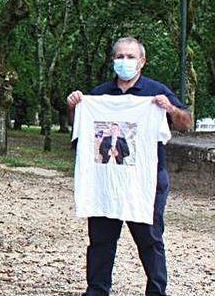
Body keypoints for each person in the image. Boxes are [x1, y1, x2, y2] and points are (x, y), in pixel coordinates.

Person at [66, 36, 192, 296]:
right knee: (100, 240)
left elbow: (185, 123)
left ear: (142, 61)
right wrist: (74, 106)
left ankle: (157, 291)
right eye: (120, 57)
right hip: (104, 181)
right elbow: (79, 130)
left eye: (131, 57)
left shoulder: (155, 92)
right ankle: (97, 290)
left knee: (149, 238)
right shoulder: (99, 95)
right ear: (113, 60)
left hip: (145, 180)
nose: (125, 62)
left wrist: (169, 109)